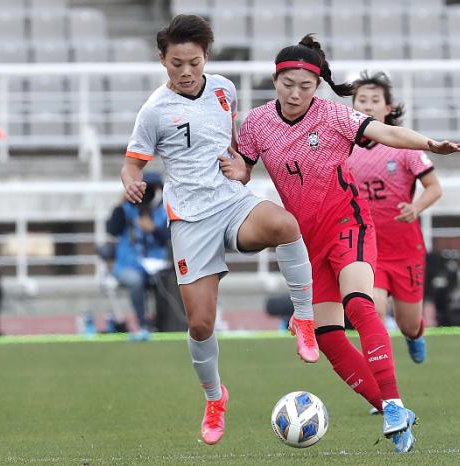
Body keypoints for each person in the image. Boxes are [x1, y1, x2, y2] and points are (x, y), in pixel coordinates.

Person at [223, 35, 460, 453]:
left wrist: (429, 144)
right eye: (287, 84)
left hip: (348, 223)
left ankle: (393, 404)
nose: (295, 93)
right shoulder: (257, 123)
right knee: (329, 337)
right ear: (275, 80)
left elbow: (385, 132)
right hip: (305, 243)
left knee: (359, 303)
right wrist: (235, 169)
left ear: (317, 86)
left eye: (305, 86)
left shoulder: (333, 115)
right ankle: (393, 412)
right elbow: (245, 168)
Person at [120, 15, 319, 446]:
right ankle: (215, 398)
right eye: (177, 64)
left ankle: (304, 317)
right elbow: (132, 164)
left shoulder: (225, 90)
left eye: (194, 62)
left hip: (232, 203)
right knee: (200, 324)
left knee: (285, 224)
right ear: (162, 59)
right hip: (191, 220)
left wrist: (243, 169)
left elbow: (235, 150)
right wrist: (131, 182)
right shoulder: (154, 111)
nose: (186, 72)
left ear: (206, 57)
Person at [347, 71, 443, 366]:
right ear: (353, 105)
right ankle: (382, 379)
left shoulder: (404, 146)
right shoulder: (344, 146)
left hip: (405, 249)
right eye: (362, 100)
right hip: (368, 248)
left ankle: (414, 336)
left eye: (375, 100)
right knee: (373, 313)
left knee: (408, 324)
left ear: (387, 108)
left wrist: (415, 208)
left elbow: (434, 188)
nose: (368, 105)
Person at [106, 172, 169, 340]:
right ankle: (142, 325)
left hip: (156, 265)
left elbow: (170, 238)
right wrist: (122, 201)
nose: (148, 195)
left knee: (168, 279)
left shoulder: (163, 212)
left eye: (152, 191)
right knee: (135, 281)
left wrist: (153, 229)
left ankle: (167, 325)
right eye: (145, 191)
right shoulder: (127, 210)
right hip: (128, 265)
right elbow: (112, 230)